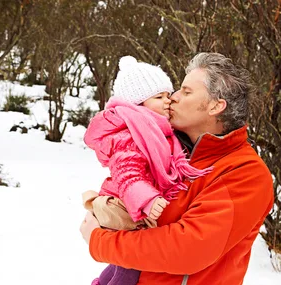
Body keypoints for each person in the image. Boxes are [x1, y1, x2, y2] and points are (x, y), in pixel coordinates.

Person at [80, 52, 274, 285]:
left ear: (215, 106)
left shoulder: (245, 173)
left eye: (186, 91)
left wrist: (100, 241)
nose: (173, 97)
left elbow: (188, 248)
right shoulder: (171, 152)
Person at [82, 55, 211, 285]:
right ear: (138, 103)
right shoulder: (131, 133)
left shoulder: (155, 128)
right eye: (159, 97)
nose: (168, 101)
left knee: (121, 263)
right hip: (126, 205)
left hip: (131, 204)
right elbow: (128, 171)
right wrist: (146, 200)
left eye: (168, 95)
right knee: (131, 266)